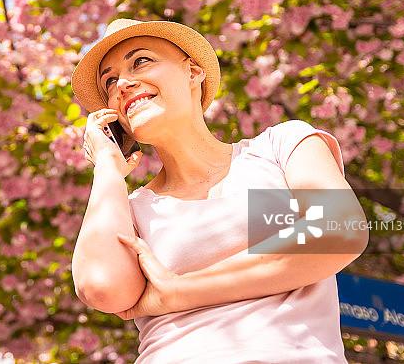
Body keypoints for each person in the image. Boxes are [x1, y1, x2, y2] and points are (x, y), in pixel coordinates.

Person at [69, 19, 369, 363]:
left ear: (194, 71)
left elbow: (340, 230)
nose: (122, 83)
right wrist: (107, 167)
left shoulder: (281, 146)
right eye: (109, 81)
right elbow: (101, 287)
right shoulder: (130, 209)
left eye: (141, 61)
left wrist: (179, 291)